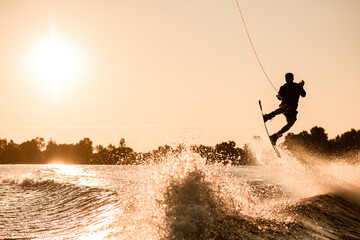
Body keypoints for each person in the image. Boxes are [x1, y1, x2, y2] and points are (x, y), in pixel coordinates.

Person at [263, 72, 306, 144]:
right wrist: (280, 97)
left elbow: (303, 95)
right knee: (286, 107)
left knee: (291, 122)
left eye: (289, 78)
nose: (288, 80)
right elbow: (279, 97)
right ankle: (268, 116)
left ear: (292, 79)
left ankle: (276, 136)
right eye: (286, 79)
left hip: (293, 109)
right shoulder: (283, 87)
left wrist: (301, 87)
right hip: (284, 106)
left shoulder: (297, 86)